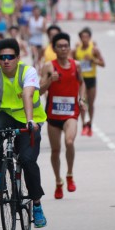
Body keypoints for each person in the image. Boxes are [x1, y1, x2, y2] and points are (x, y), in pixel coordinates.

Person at [0, 38, 48, 228]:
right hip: (4, 116)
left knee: (27, 160)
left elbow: (27, 93)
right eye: (2, 57)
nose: (6, 60)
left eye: (10, 57)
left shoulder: (28, 71)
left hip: (28, 120)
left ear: (18, 57)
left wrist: (30, 120)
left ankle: (37, 204)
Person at [40, 32, 87, 200]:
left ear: (69, 47)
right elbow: (39, 91)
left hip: (70, 113)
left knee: (69, 141)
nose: (63, 49)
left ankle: (69, 174)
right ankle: (58, 181)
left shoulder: (76, 65)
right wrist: (50, 81)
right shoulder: (48, 67)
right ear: (54, 49)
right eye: (59, 46)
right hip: (53, 114)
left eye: (66, 46)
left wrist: (81, 99)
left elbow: (81, 83)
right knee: (55, 150)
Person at [72, 27, 105, 136]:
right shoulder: (76, 50)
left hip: (91, 79)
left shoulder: (94, 50)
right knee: (82, 102)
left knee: (90, 103)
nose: (84, 39)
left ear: (90, 38)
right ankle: (84, 125)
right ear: (80, 38)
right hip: (81, 80)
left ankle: (90, 124)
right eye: (82, 37)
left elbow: (103, 64)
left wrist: (92, 60)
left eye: (86, 37)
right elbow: (71, 63)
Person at [27, 5, 46, 71]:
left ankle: (36, 65)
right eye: (35, 11)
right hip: (32, 39)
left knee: (38, 56)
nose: (36, 13)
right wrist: (28, 33)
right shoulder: (30, 19)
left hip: (39, 40)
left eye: (37, 11)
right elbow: (27, 28)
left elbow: (44, 30)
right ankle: (35, 67)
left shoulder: (42, 19)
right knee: (35, 54)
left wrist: (40, 28)